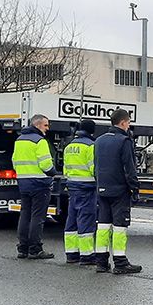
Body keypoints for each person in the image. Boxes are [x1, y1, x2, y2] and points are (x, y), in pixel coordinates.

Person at [94, 108, 142, 275]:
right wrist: (135, 189)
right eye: (128, 123)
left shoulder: (99, 141)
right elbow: (130, 168)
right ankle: (120, 262)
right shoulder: (124, 141)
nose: (129, 126)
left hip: (102, 189)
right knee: (120, 226)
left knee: (103, 225)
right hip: (119, 190)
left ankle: (101, 261)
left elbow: (96, 166)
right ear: (123, 122)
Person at [13, 113, 57, 260]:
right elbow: (45, 163)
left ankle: (22, 248)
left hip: (23, 182)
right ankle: (35, 249)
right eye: (45, 125)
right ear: (37, 125)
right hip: (40, 183)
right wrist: (52, 172)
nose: (47, 128)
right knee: (38, 216)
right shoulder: (40, 141)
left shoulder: (19, 140)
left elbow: (14, 160)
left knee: (25, 214)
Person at [62, 119, 98, 265]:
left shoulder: (69, 146)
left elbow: (65, 168)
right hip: (87, 187)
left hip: (72, 186)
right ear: (92, 131)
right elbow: (94, 168)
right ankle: (86, 255)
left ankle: (71, 254)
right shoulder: (90, 146)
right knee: (86, 220)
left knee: (72, 220)